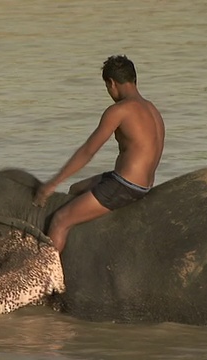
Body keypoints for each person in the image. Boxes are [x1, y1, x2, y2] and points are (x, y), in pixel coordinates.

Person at [33, 55, 165, 253]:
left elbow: (88, 151)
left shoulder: (119, 110)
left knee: (60, 220)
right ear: (133, 79)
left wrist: (52, 183)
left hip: (124, 186)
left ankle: (46, 281)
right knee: (76, 188)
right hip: (143, 185)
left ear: (111, 83)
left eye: (107, 87)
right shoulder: (152, 108)